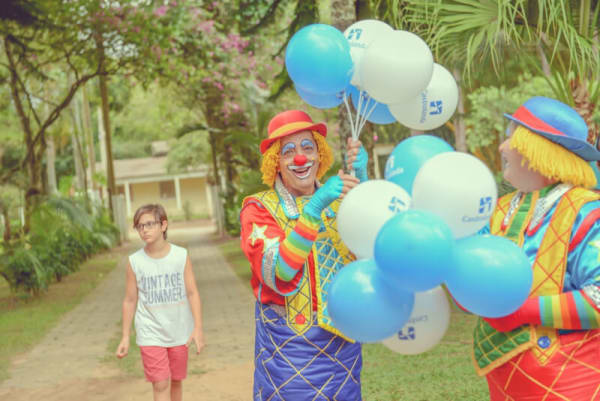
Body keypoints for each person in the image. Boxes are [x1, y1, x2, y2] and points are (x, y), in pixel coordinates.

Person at [471, 96, 600, 400]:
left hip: (569, 380)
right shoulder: (498, 210)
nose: (502, 147)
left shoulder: (586, 211)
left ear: (535, 148)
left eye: (511, 136)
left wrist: (523, 311)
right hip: (504, 379)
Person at [239, 109, 368, 400]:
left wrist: (363, 187)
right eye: (289, 152)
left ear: (320, 155)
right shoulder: (258, 209)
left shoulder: (341, 201)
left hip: (343, 344)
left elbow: (369, 254)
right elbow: (278, 273)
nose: (300, 158)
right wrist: (313, 209)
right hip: (288, 350)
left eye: (308, 147)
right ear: (276, 162)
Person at [116, 204, 204, 401]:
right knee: (161, 382)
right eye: (139, 226)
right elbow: (130, 300)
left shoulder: (181, 255)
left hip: (179, 331)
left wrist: (197, 328)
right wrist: (125, 336)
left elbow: (192, 293)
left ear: (163, 225)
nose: (144, 230)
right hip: (150, 332)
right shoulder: (135, 262)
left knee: (176, 380)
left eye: (149, 224)